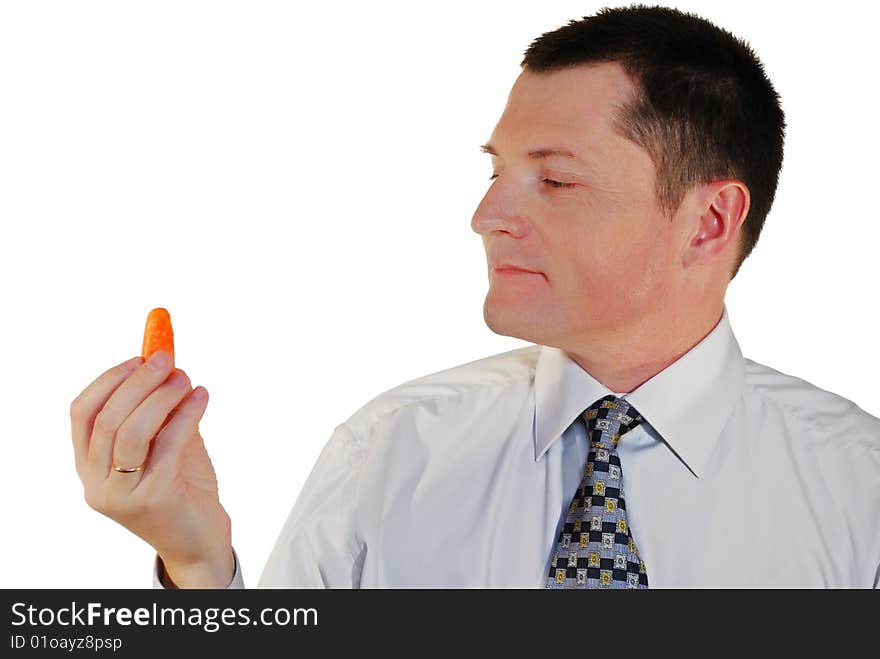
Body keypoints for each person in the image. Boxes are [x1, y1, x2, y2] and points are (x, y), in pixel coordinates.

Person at [70, 5, 879, 589]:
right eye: (497, 173)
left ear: (708, 221)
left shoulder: (858, 488)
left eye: (554, 179)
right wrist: (197, 565)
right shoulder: (389, 452)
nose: (486, 217)